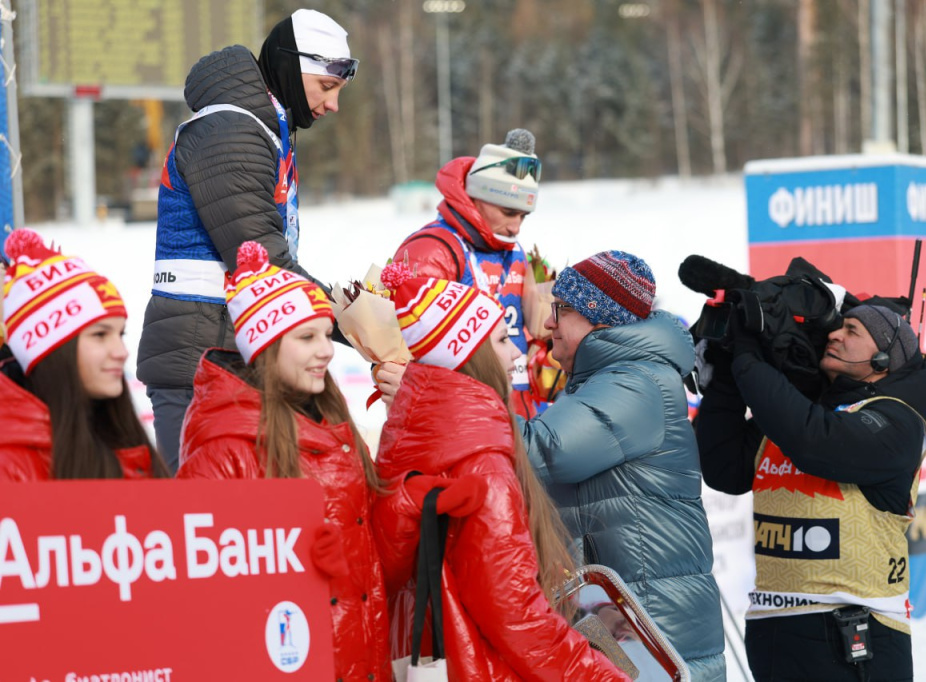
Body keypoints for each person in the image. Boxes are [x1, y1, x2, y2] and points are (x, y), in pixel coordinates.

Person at [371, 262, 631, 680]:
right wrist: (601, 676)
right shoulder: (480, 460)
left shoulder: (415, 429)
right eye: (501, 340)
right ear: (468, 355)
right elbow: (516, 614)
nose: (516, 352)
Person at [137, 9, 359, 473]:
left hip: (223, 348)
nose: (334, 105)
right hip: (200, 360)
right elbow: (260, 260)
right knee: (205, 527)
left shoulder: (262, 126)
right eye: (328, 86)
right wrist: (354, 323)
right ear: (293, 69)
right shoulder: (230, 130)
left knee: (248, 527)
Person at [176, 241, 390, 681]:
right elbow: (198, 588)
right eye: (307, 337)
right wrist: (298, 568)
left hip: (360, 658)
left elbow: (369, 535)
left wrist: (415, 502)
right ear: (266, 345)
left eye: (326, 335)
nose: (327, 351)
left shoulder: (333, 419)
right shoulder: (223, 448)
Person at [695, 303, 926, 681]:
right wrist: (726, 375)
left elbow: (816, 444)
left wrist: (748, 354)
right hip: (774, 630)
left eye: (853, 331)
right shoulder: (801, 412)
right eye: (838, 327)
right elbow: (724, 470)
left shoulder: (897, 418)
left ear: (885, 357)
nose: (836, 334)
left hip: (856, 635)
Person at [517, 250, 727, 681]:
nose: (549, 322)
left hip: (650, 628)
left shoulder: (634, 382)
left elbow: (542, 451)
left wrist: (456, 397)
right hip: (626, 619)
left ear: (600, 319)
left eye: (563, 309)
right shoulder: (611, 379)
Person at [377, 128, 544, 417]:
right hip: (462, 417)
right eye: (508, 212)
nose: (516, 227)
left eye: (522, 216)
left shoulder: (514, 250)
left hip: (516, 414)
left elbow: (529, 331)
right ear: (477, 198)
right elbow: (394, 347)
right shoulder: (433, 249)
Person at [0, 229, 167, 481]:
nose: (121, 352)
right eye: (100, 335)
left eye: (120, 334)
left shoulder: (127, 440)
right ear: (52, 351)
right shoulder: (10, 466)